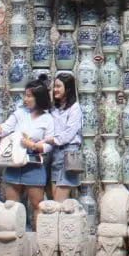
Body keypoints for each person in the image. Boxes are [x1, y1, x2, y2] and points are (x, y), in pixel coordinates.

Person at [0, 78, 55, 222]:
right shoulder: (19, 113)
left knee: (37, 204)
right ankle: (15, 233)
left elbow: (49, 144)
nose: (25, 99)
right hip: (14, 162)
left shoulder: (47, 118)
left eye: (29, 96)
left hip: (34, 164)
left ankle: (39, 233)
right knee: (12, 205)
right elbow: (3, 130)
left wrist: (33, 146)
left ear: (39, 98)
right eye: (25, 95)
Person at [48, 72, 84, 201]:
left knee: (59, 201)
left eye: (58, 86)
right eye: (55, 86)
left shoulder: (75, 108)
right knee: (54, 198)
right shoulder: (54, 108)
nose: (55, 89)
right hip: (55, 153)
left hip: (69, 153)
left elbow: (69, 133)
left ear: (68, 89)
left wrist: (52, 139)